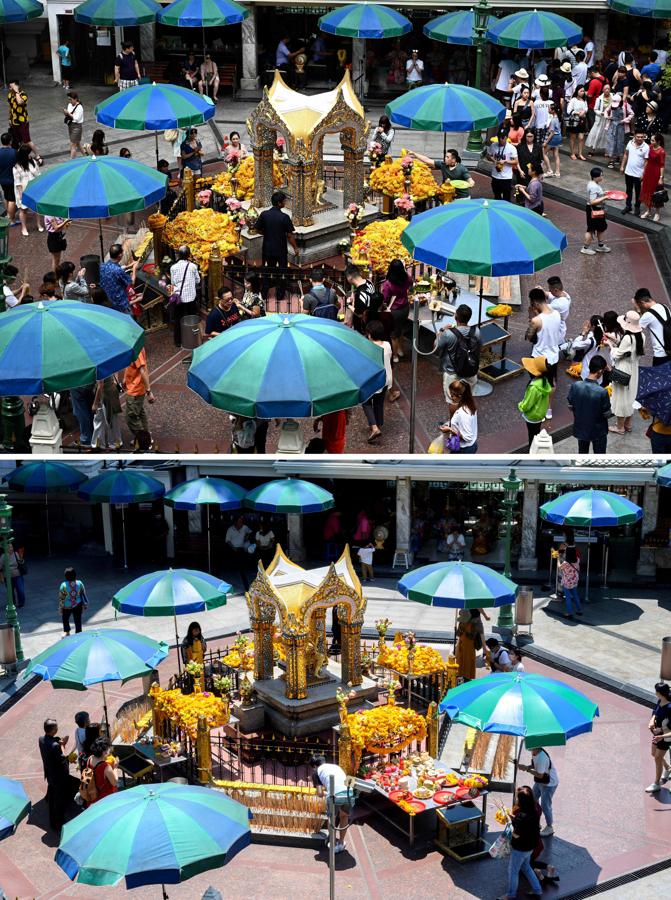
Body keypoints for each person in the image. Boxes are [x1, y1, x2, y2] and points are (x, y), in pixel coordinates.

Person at [496, 786, 544, 900]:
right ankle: (537, 890)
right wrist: (512, 818)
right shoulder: (534, 811)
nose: (516, 799)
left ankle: (510, 895)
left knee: (512, 871)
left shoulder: (521, 816)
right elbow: (523, 825)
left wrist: (509, 823)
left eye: (518, 798)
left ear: (522, 801)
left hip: (520, 849)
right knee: (526, 867)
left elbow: (516, 834)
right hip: (530, 846)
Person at [526, 288, 562, 418]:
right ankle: (548, 409)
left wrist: (532, 316)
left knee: (537, 382)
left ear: (534, 303)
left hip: (539, 357)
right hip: (553, 355)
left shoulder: (537, 320)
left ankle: (535, 404)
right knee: (552, 382)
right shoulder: (557, 314)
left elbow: (529, 337)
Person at [257, 191, 297, 303]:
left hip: (267, 249)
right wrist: (295, 248)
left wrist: (267, 233)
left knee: (267, 271)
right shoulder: (284, 217)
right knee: (281, 272)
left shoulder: (264, 214)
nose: (285, 202)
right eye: (284, 201)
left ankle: (264, 294)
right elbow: (290, 235)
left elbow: (257, 229)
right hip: (280, 250)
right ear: (279, 203)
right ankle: (279, 295)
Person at [567, 354, 612, 454]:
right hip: (598, 431)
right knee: (599, 457)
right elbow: (607, 414)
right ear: (600, 371)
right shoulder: (602, 392)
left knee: (582, 455)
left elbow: (570, 405)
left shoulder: (575, 386)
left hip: (581, 427)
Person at [609, 310, 645, 435]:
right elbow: (632, 352)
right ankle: (628, 424)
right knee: (631, 396)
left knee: (621, 397)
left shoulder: (628, 338)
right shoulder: (642, 336)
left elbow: (617, 355)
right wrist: (615, 341)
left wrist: (611, 346)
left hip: (623, 368)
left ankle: (620, 427)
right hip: (634, 368)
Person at [310, 755, 352, 853]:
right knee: (344, 816)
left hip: (335, 795)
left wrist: (326, 793)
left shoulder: (316, 772)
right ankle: (341, 843)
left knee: (332, 818)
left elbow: (320, 794)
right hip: (349, 793)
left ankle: (333, 845)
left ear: (314, 766)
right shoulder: (335, 766)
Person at [435, 304, 481, 394]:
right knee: (467, 400)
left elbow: (435, 347)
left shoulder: (448, 334)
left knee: (453, 402)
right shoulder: (477, 331)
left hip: (453, 375)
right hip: (470, 372)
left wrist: (440, 331)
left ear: (456, 317)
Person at [39, 719, 73, 832]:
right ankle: (58, 823)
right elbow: (63, 759)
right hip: (58, 777)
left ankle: (53, 820)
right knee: (59, 801)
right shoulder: (54, 746)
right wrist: (62, 745)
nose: (57, 729)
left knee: (53, 798)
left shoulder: (41, 740)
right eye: (56, 728)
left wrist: (58, 742)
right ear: (53, 730)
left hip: (50, 773)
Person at [362, 319, 392, 443]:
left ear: (369, 334)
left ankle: (374, 427)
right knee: (379, 403)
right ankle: (378, 424)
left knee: (366, 402)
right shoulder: (387, 345)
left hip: (372, 380)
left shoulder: (367, 347)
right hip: (385, 379)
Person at [519, 747, 559, 837]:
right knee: (532, 800)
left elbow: (540, 775)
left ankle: (550, 827)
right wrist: (527, 767)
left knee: (545, 805)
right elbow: (535, 765)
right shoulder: (535, 752)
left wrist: (527, 769)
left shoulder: (542, 757)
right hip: (540, 782)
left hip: (549, 784)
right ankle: (535, 822)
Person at [409, 148, 473, 199]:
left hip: (461, 198)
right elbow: (427, 160)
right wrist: (414, 154)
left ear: (453, 160)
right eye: (445, 156)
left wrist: (471, 183)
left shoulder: (461, 168)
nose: (445, 158)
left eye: (447, 157)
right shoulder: (443, 165)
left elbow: (469, 179)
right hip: (447, 194)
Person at [123, 347, 155, 449]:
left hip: (135, 390)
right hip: (136, 388)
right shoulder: (137, 346)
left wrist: (149, 391)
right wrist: (125, 380)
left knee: (131, 418)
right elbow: (132, 367)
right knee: (140, 413)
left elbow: (142, 370)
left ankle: (143, 441)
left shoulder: (135, 350)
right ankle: (146, 438)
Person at [169, 245, 200, 348]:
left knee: (178, 319)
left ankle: (178, 341)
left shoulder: (173, 268)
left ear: (178, 255)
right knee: (192, 317)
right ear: (188, 255)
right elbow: (197, 280)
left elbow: (173, 282)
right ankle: (193, 338)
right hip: (191, 297)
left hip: (179, 298)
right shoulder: (193, 266)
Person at [518, 356, 552, 450]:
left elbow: (527, 404)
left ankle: (532, 451)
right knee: (535, 433)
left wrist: (520, 406)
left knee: (531, 435)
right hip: (540, 414)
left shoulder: (534, 387)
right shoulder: (545, 380)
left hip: (532, 416)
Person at [381, 259, 411, 362]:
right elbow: (410, 283)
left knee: (393, 335)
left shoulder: (388, 284)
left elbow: (384, 298)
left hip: (394, 311)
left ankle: (395, 356)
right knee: (401, 330)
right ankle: (400, 350)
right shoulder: (407, 278)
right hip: (405, 308)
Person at [634, 287, 671, 366]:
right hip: (670, 350)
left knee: (659, 378)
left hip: (661, 355)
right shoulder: (665, 307)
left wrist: (638, 310)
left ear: (642, 302)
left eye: (640, 305)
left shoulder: (648, 315)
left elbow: (634, 329)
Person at [441, 379, 478, 454]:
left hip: (463, 450)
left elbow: (467, 438)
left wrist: (450, 430)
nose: (451, 397)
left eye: (452, 395)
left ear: (460, 396)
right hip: (468, 447)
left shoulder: (463, 413)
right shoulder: (469, 405)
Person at [99, 244, 138, 314]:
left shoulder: (102, 266)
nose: (123, 254)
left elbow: (113, 269)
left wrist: (128, 266)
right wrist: (134, 268)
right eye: (122, 252)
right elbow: (131, 283)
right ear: (119, 255)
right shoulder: (118, 271)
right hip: (121, 304)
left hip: (109, 301)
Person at [13, 144, 42, 237]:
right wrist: (22, 194)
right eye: (28, 154)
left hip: (34, 188)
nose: (30, 155)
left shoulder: (33, 162)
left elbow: (38, 174)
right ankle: (24, 227)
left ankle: (39, 224)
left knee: (36, 208)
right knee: (23, 210)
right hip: (23, 190)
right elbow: (17, 183)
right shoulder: (16, 167)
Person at [7, 80, 40, 159]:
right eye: (10, 87)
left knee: (27, 140)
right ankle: (25, 155)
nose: (10, 88)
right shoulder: (9, 95)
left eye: (12, 87)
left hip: (23, 121)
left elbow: (19, 102)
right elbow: (10, 107)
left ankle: (37, 155)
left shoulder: (23, 94)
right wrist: (9, 118)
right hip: (14, 121)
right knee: (19, 140)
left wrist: (17, 92)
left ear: (17, 86)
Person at [647, 682, 671, 793]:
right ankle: (668, 768)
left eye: (656, 690)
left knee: (657, 758)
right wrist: (651, 722)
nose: (655, 692)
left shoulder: (670, 708)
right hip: (657, 734)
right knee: (654, 754)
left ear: (660, 693)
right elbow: (655, 713)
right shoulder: (660, 701)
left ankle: (656, 784)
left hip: (666, 737)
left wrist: (661, 733)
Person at [582, 166, 611, 255]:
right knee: (591, 229)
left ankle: (601, 246)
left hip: (597, 210)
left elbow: (596, 195)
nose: (602, 177)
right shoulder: (594, 186)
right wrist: (605, 197)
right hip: (594, 210)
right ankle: (585, 248)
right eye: (601, 176)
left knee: (600, 228)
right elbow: (592, 201)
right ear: (595, 177)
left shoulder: (592, 183)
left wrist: (603, 193)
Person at [621, 128, 650, 215]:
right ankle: (628, 206)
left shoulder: (646, 147)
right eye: (638, 137)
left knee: (638, 191)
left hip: (638, 174)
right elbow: (626, 154)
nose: (640, 139)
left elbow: (646, 161)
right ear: (634, 136)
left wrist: (643, 173)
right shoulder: (630, 143)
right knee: (628, 190)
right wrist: (622, 166)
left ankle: (637, 206)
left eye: (642, 137)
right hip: (628, 172)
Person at [487, 125, 518, 202]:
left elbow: (516, 161)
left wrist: (505, 161)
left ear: (506, 137)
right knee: (496, 196)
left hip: (506, 177)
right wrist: (494, 160)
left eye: (502, 138)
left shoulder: (511, 148)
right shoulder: (493, 145)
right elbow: (488, 156)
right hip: (495, 175)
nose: (500, 140)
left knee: (506, 198)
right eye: (499, 137)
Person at [641, 133, 666, 222]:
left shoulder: (661, 151)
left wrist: (661, 177)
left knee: (656, 193)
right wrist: (643, 172)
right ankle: (648, 211)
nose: (651, 142)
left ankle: (657, 213)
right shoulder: (650, 147)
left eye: (653, 140)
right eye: (651, 140)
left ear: (658, 141)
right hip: (648, 171)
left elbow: (662, 165)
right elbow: (647, 160)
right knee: (647, 190)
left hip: (656, 173)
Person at [85, 737, 118, 804]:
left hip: (93, 796)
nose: (109, 750)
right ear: (104, 752)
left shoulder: (90, 758)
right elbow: (114, 782)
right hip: (105, 799)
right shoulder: (106, 767)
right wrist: (115, 767)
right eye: (108, 748)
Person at [345, 263, 374, 334]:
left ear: (349, 278)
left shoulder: (359, 293)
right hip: (372, 316)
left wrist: (348, 304)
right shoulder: (369, 282)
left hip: (363, 324)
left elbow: (359, 313)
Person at [58, 566, 88, 636]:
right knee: (78, 620)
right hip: (78, 604)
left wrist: (60, 607)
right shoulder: (79, 583)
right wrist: (85, 604)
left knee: (65, 619)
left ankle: (67, 632)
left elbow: (61, 598)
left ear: (65, 576)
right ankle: (78, 633)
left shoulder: (63, 585)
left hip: (67, 606)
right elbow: (83, 593)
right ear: (75, 575)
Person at [226, 515, 252, 590]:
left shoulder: (245, 527)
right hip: (233, 549)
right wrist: (233, 548)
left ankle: (244, 579)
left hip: (242, 548)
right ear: (235, 522)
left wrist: (247, 536)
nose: (241, 523)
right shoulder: (230, 529)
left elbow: (250, 532)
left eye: (242, 521)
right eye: (239, 521)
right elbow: (228, 541)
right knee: (236, 563)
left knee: (242, 562)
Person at [585, 84, 612, 157]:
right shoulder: (599, 99)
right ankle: (592, 149)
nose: (607, 90)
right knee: (596, 133)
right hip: (600, 119)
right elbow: (595, 109)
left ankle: (607, 150)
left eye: (608, 89)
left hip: (608, 119)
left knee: (607, 135)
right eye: (605, 89)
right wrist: (602, 113)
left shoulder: (613, 97)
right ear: (603, 90)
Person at [0, 541, 26, 607]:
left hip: (17, 575)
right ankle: (12, 603)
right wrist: (2, 577)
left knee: (21, 590)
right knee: (10, 592)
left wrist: (21, 557)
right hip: (8, 577)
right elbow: (0, 568)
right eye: (9, 547)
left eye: (11, 547)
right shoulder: (3, 557)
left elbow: (21, 562)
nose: (11, 548)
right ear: (5, 548)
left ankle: (21, 602)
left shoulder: (16, 554)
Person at [566, 85, 589, 160]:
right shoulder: (573, 100)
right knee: (573, 137)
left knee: (581, 138)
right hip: (574, 120)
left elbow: (586, 108)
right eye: (581, 91)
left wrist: (584, 111)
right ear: (577, 91)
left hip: (582, 121)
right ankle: (572, 153)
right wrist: (577, 113)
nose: (582, 92)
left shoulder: (584, 100)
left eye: (583, 91)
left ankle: (580, 154)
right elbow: (569, 110)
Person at [558, 545, 581, 619]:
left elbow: (559, 567)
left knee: (567, 597)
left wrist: (558, 559)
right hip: (574, 581)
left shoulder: (566, 563)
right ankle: (579, 610)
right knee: (575, 595)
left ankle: (569, 612)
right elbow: (578, 568)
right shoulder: (577, 559)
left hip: (567, 582)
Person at [455, 609, 477, 682]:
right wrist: (458, 630)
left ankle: (467, 678)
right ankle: (460, 675)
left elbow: (473, 636)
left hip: (469, 647)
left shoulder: (473, 624)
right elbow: (458, 634)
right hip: (461, 644)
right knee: (460, 661)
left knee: (467, 662)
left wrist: (465, 631)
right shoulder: (461, 622)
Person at [0, 132, 17, 223]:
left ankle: (8, 215)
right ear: (10, 141)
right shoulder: (14, 152)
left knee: (6, 197)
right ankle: (11, 220)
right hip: (11, 178)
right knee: (12, 199)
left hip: (2, 179)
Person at [542, 104, 562, 177]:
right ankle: (557, 172)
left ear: (553, 111)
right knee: (556, 155)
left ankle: (549, 170)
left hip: (554, 137)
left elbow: (552, 132)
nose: (548, 110)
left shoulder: (553, 120)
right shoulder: (557, 118)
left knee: (544, 153)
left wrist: (546, 142)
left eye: (549, 109)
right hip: (558, 137)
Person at [63, 91, 83, 158]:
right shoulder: (69, 105)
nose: (70, 101)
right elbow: (69, 115)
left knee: (72, 144)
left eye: (71, 99)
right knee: (77, 143)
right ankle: (86, 155)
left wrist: (68, 113)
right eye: (69, 99)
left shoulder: (79, 107)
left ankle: (71, 161)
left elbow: (76, 118)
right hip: (70, 126)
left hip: (77, 127)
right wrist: (66, 113)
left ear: (75, 99)